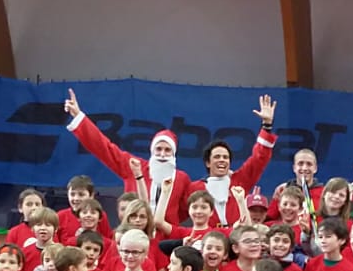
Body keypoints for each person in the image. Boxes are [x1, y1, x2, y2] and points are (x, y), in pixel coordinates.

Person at [63, 89, 276, 236]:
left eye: (167, 150)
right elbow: (104, 147)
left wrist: (266, 126)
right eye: (159, 149)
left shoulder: (183, 180)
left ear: (174, 154)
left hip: (172, 243)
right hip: (133, 235)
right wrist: (80, 117)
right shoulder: (134, 166)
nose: (163, 154)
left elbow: (188, 210)